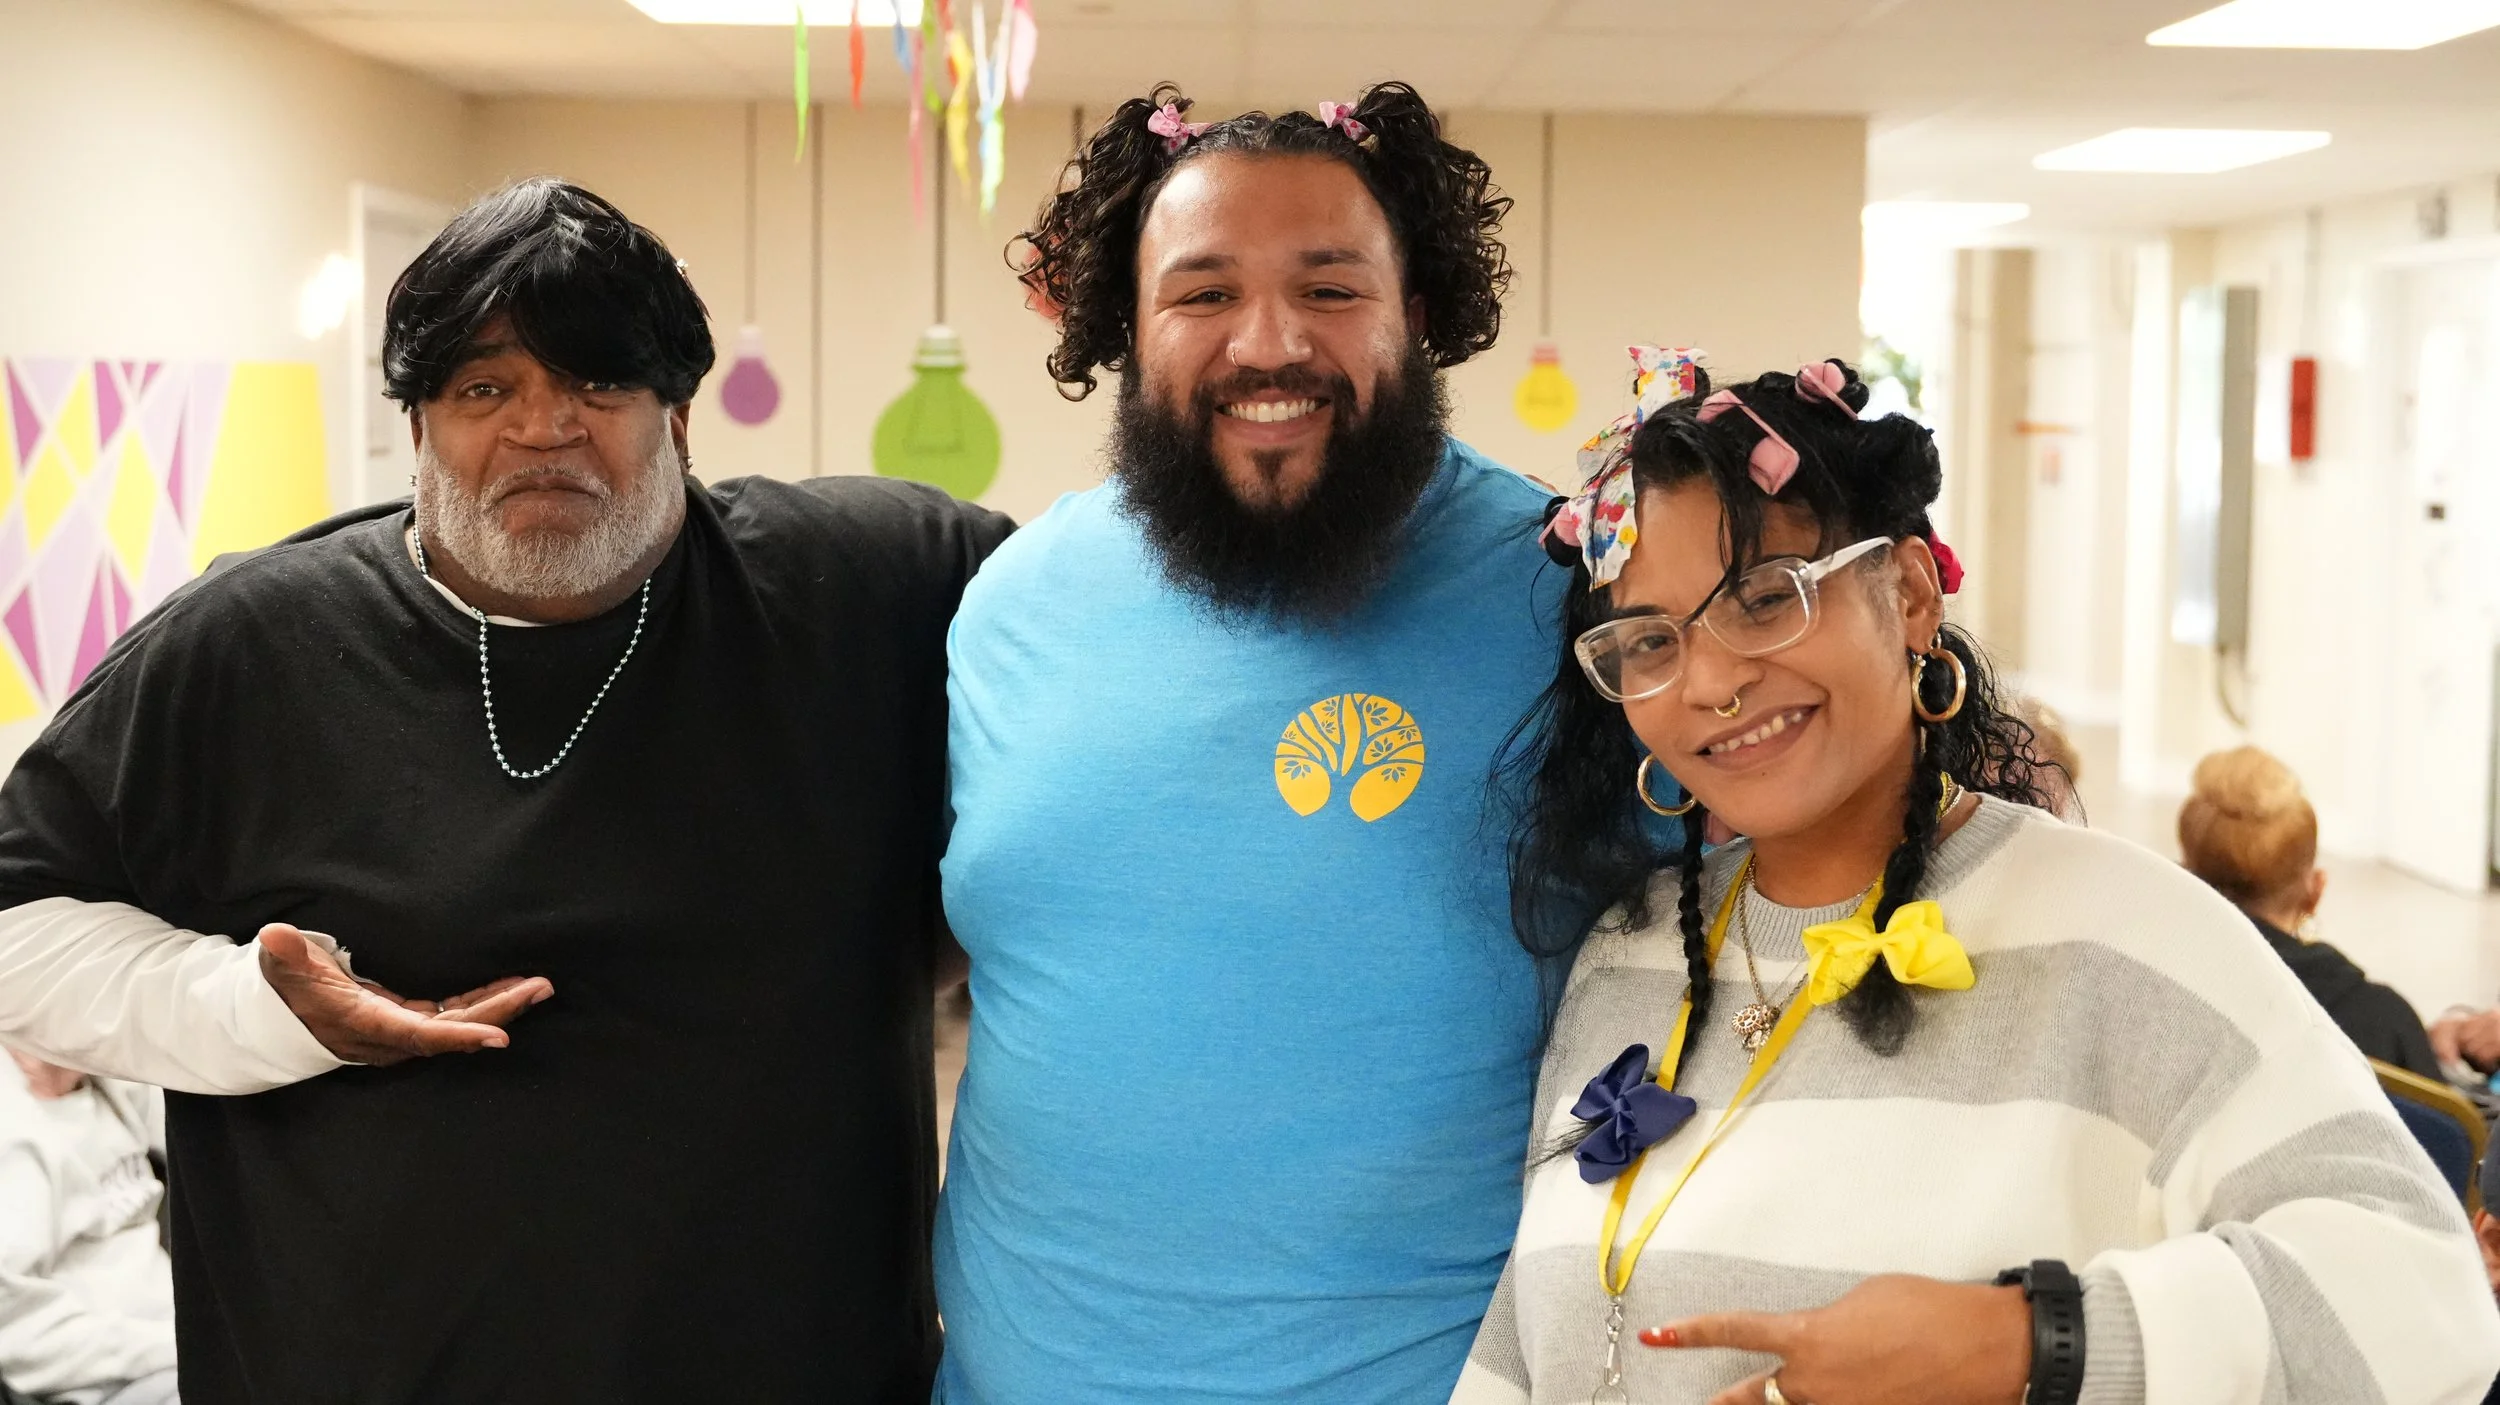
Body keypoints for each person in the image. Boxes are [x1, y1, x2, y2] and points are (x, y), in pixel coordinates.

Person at [0, 179, 1010, 1403]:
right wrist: (264, 1011)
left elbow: (1128, 646)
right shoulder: (247, 646)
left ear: (680, 419)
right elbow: (19, 920)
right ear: (417, 425)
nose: (544, 427)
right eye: (485, 389)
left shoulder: (874, 585)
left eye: (598, 383)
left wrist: (1010, 912)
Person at [1456, 351, 2500, 1404]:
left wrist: (2029, 1343)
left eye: (1767, 598)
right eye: (1649, 642)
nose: (1714, 681)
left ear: (1908, 593)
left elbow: (2426, 1302)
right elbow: (1523, 1344)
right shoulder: (1628, 950)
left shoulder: (2119, 935)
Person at [935, 83, 1569, 1402]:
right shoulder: (1009, 609)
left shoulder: (1572, 600)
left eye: (1331, 289)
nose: (1267, 343)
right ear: (1126, 323)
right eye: (1203, 292)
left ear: (1423, 314)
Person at [2180, 744, 2444, 1082]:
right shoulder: (2384, 1022)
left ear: (2185, 875)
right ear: (2315, 891)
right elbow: (2444, 1132)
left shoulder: (2142, 988)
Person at [0, 1050, 177, 1405]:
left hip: (180, 1339)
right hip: (120, 1382)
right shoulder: (14, 1137)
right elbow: (19, 1336)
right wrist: (182, 1345)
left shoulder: (100, 1075)